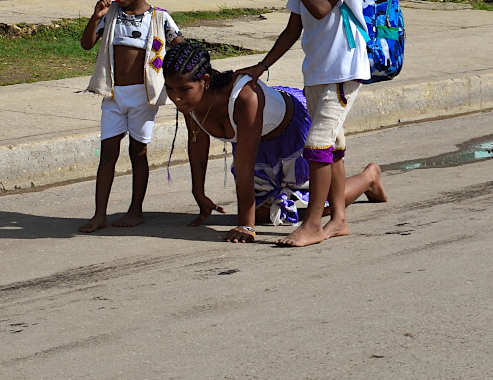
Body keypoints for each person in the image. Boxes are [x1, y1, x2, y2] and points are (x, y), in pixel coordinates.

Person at [235, 0, 372, 247]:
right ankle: (338, 219)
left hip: (343, 70)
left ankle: (313, 224)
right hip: (316, 71)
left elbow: (323, 9)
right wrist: (262, 65)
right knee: (334, 145)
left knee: (317, 144)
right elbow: (294, 28)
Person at [162, 41, 386, 243]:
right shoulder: (189, 102)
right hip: (259, 142)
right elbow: (197, 145)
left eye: (183, 89)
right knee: (264, 214)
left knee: (316, 206)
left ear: (205, 81)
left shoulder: (244, 98)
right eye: (169, 89)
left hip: (293, 133)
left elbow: (244, 167)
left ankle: (369, 177)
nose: (176, 97)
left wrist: (245, 226)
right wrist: (199, 194)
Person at [79, 0, 184, 232]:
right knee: (108, 155)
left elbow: (182, 49)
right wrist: (94, 16)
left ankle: (135, 210)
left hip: (143, 98)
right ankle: (100, 213)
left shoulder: (160, 18)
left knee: (138, 153)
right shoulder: (110, 15)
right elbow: (87, 44)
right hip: (113, 96)